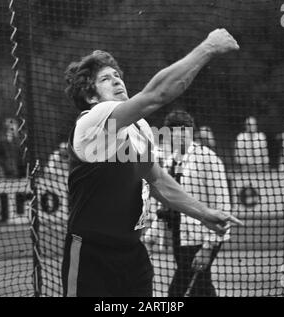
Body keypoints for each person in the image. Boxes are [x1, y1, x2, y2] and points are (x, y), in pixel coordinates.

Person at [61, 28, 243, 297]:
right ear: (91, 96)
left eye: (117, 75)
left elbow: (158, 181)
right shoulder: (93, 119)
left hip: (132, 253)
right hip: (90, 253)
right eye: (105, 79)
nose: (116, 80)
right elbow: (158, 94)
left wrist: (203, 213)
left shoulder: (140, 128)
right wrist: (208, 48)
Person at [148, 110, 231, 297]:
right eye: (176, 130)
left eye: (185, 129)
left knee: (179, 289)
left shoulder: (207, 158)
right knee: (201, 288)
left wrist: (208, 247)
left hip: (203, 236)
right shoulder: (169, 163)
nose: (181, 134)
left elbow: (222, 204)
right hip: (180, 236)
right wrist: (153, 232)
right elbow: (165, 203)